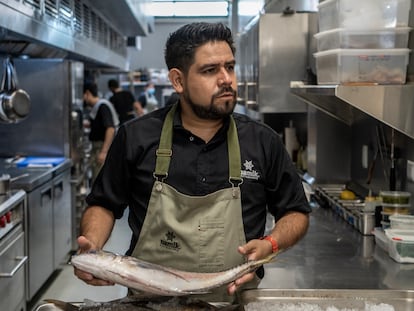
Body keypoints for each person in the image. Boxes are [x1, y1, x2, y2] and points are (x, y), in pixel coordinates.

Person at [75, 23, 311, 303]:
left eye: (230, 67)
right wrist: (93, 249)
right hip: (148, 303)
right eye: (210, 70)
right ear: (178, 80)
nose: (226, 79)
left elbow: (296, 212)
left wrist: (270, 243)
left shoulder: (263, 141)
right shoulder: (136, 137)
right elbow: (104, 203)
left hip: (232, 302)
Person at [83, 82, 119, 181]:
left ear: (87, 93)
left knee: (100, 181)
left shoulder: (102, 106)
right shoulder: (99, 106)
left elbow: (110, 129)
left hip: (101, 147)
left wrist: (104, 151)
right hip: (100, 147)